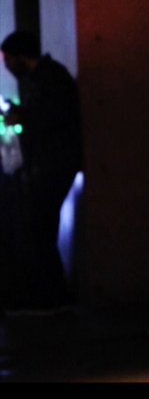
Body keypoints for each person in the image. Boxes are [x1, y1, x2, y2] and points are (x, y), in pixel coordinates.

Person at [0, 31, 82, 314]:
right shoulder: (46, 78)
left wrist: (21, 116)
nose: (6, 66)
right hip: (52, 164)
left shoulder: (50, 80)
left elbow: (52, 119)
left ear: (20, 57)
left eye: (8, 60)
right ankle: (51, 296)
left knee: (40, 230)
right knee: (40, 230)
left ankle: (52, 298)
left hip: (54, 164)